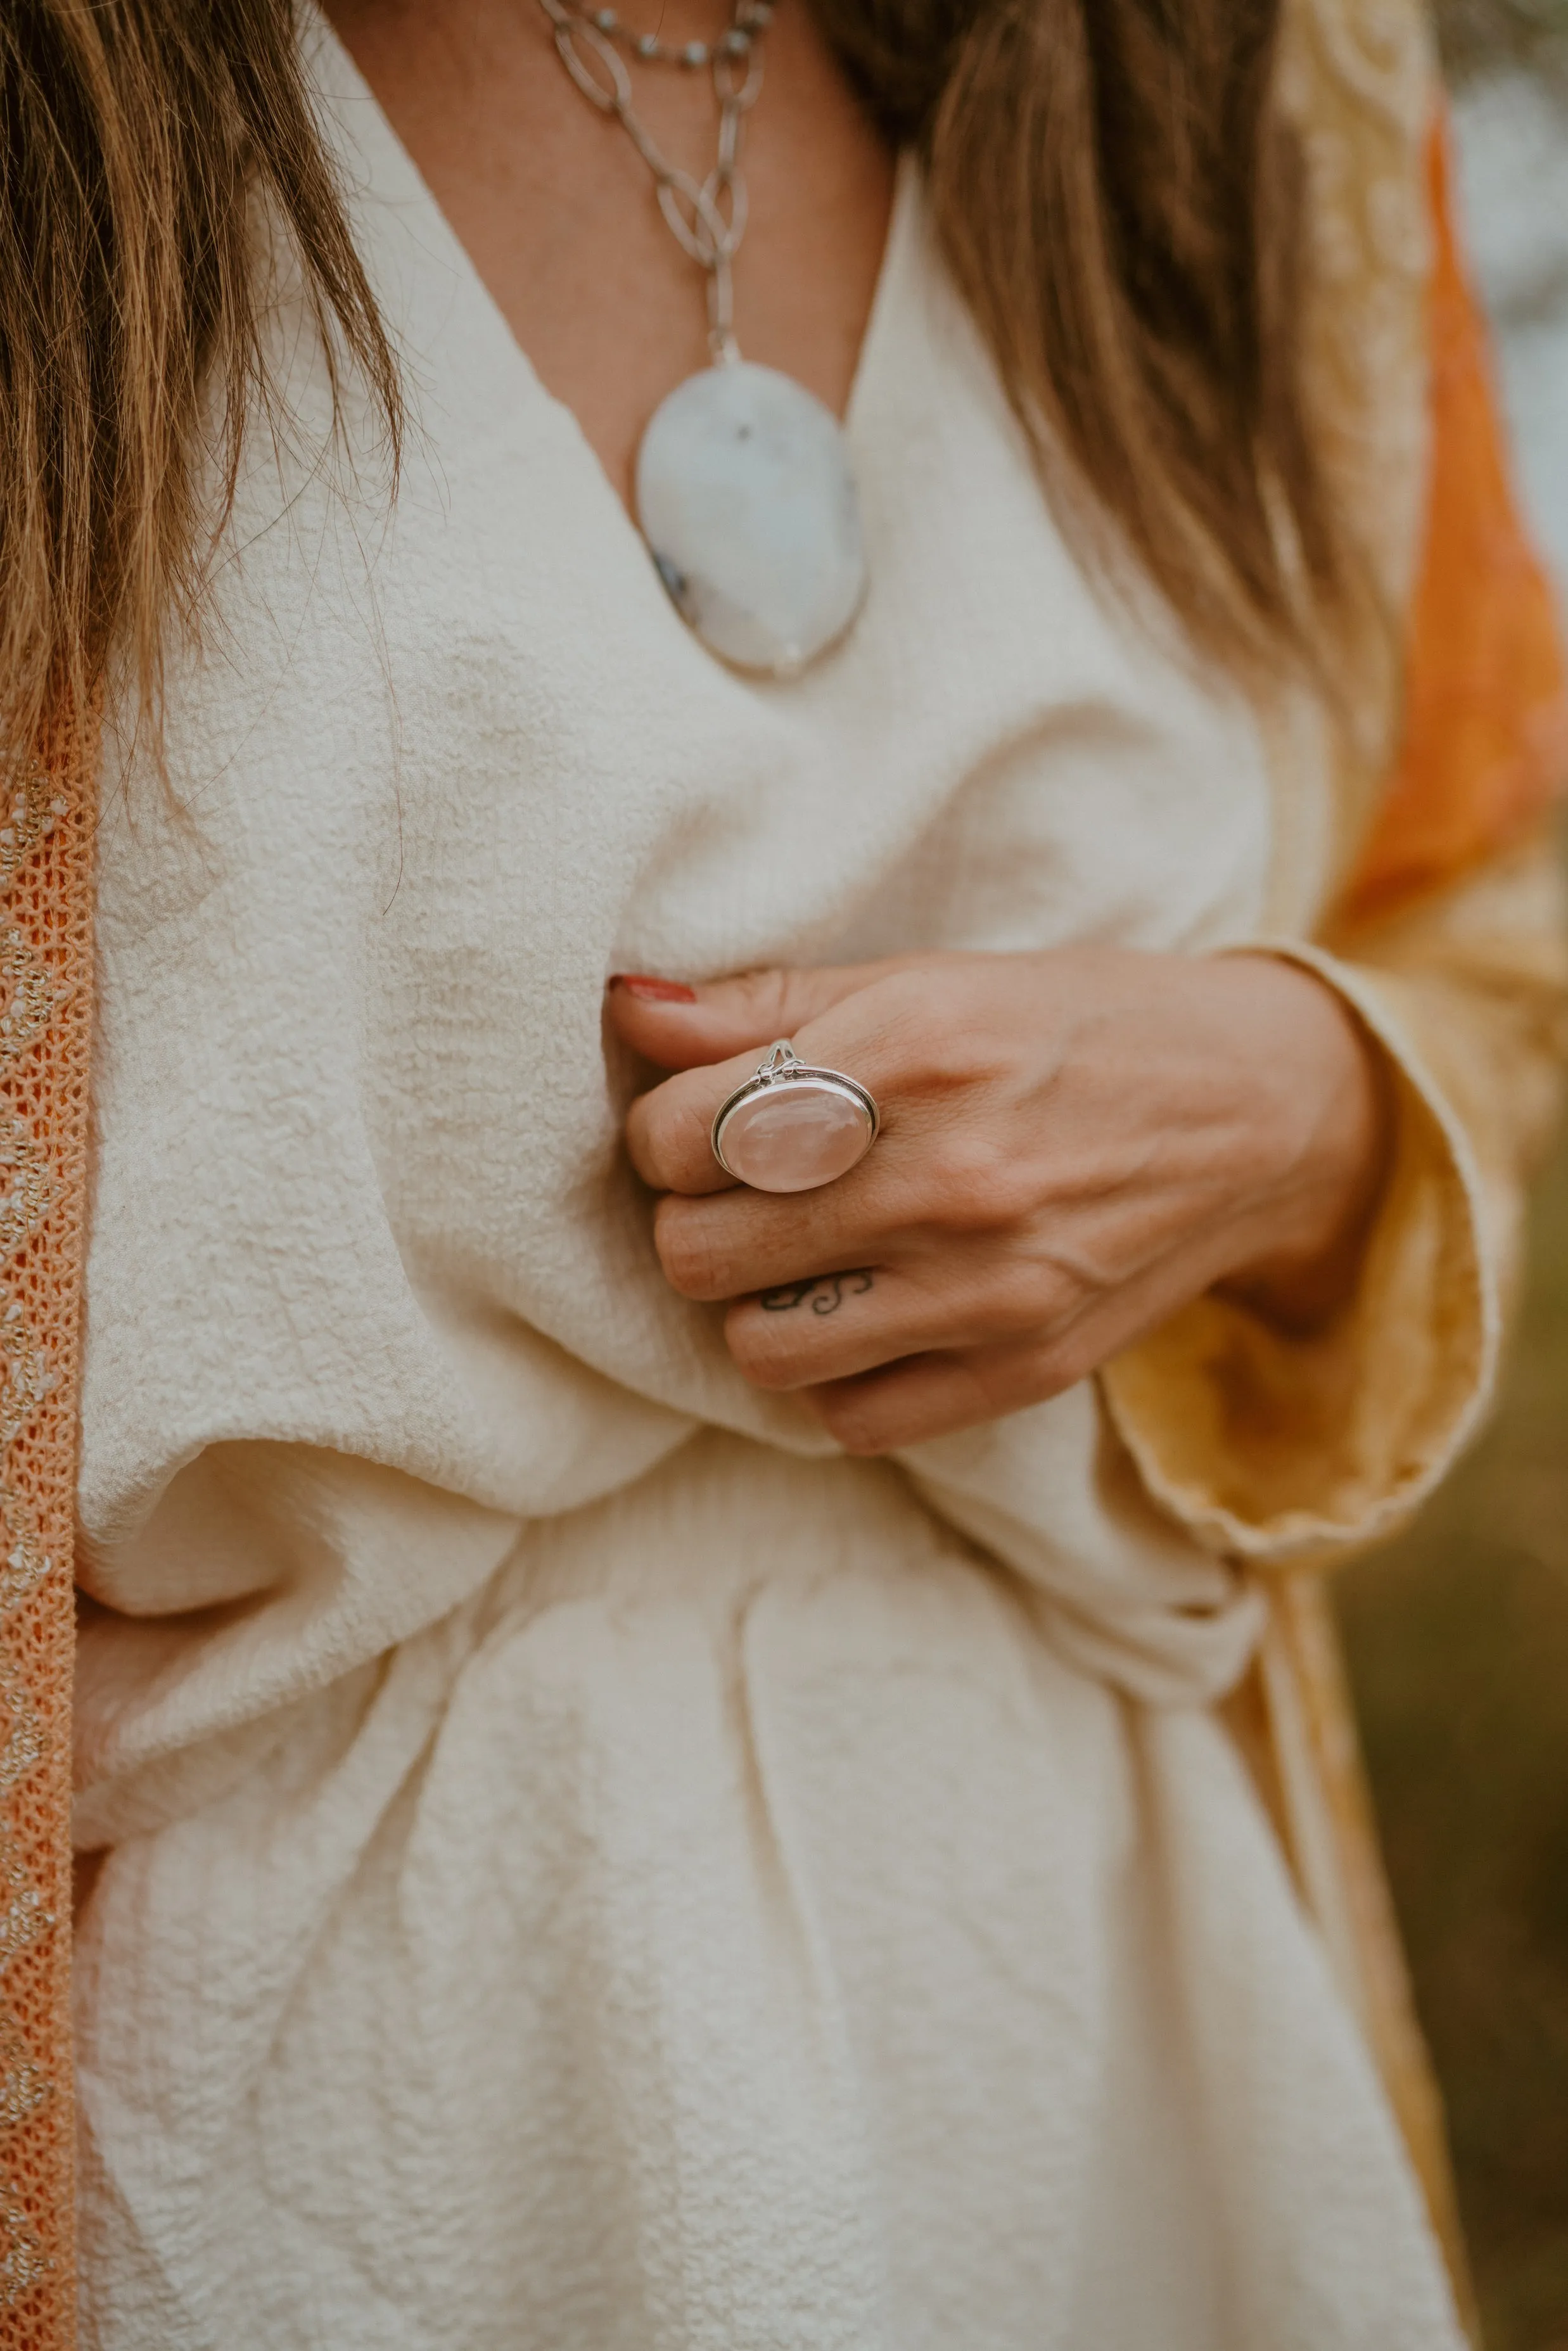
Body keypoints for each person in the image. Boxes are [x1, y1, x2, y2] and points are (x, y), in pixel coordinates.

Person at [1, 0, 1562, 2341]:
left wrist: (1296, 1098)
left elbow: (1479, 908)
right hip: (280, 2135)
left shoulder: (1260, 82)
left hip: (1117, 2025)